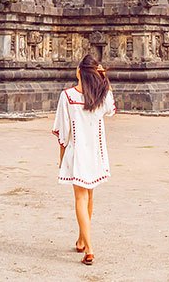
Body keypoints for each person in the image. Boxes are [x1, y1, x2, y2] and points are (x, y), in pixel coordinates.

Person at [52, 53, 116, 266]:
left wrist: (62, 159)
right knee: (88, 197)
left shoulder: (68, 96)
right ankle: (81, 239)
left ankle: (89, 249)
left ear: (79, 72)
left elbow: (62, 132)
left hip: (77, 152)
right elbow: (112, 109)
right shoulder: (102, 96)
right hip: (96, 153)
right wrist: (103, 76)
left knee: (80, 198)